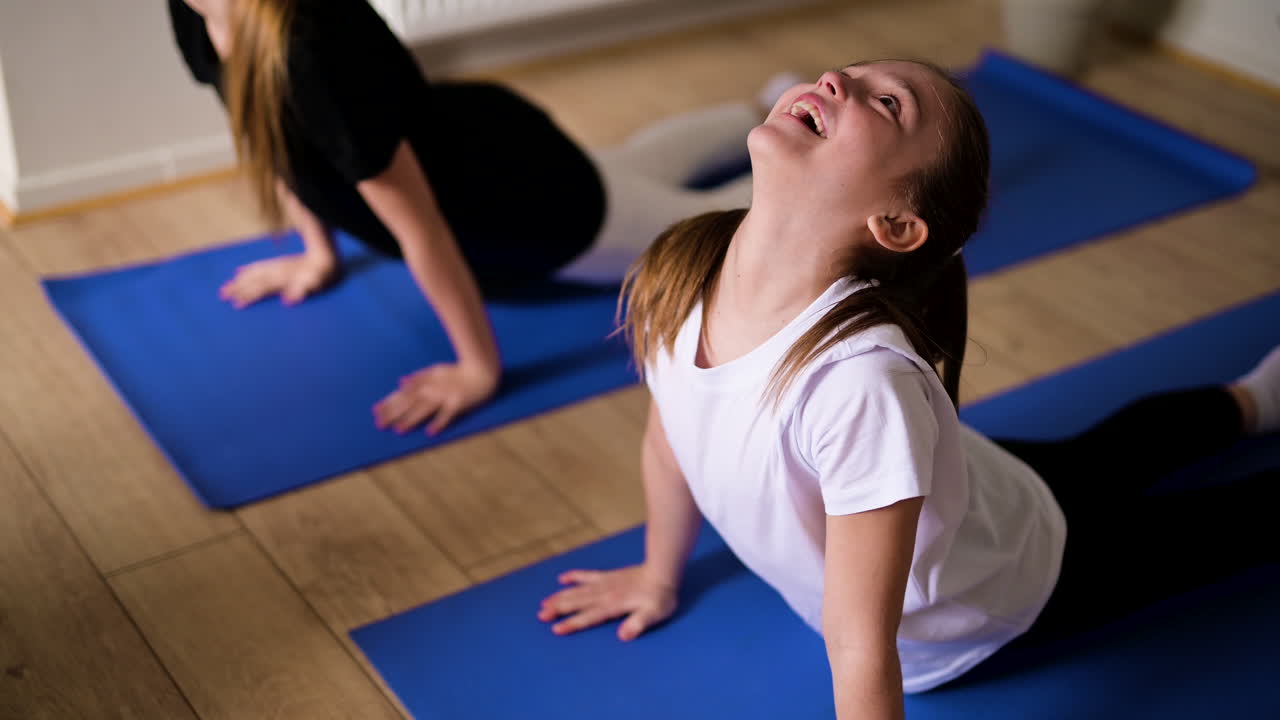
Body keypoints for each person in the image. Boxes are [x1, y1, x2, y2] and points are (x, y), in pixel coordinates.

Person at [535, 59, 1280, 718]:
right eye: (852, 73)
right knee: (1109, 451)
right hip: (973, 488)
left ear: (894, 221)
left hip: (999, 590)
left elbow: (861, 642)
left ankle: (1254, 402)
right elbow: (675, 438)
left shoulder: (858, 384)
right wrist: (658, 576)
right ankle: (1255, 400)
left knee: (1226, 521)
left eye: (886, 103)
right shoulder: (691, 261)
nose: (837, 79)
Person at [168, 0, 764, 434]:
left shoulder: (312, 50)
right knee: (634, 168)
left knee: (703, 226)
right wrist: (318, 255)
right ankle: (766, 110)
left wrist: (478, 369)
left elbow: (420, 227)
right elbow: (267, 130)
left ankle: (791, 138)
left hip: (527, 205)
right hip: (488, 145)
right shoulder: (197, 11)